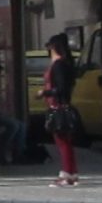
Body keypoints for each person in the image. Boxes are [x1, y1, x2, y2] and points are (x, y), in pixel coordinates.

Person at [40, 33, 79, 187]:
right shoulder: (65, 64)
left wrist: (45, 93)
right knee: (66, 142)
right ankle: (71, 172)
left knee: (62, 142)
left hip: (58, 106)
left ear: (54, 47)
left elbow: (61, 88)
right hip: (62, 105)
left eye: (50, 47)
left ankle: (67, 174)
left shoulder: (58, 65)